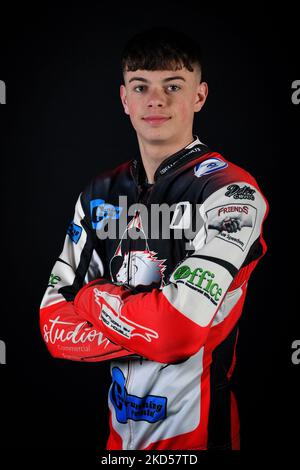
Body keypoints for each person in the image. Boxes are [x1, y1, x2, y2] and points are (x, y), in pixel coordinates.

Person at [39, 27, 269, 450]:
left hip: (199, 441)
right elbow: (52, 323)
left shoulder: (231, 193)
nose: (155, 99)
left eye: (173, 86)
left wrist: (90, 300)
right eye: (141, 86)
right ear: (125, 99)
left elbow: (177, 333)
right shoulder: (99, 193)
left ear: (199, 96)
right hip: (118, 444)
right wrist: (148, 328)